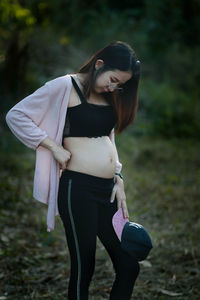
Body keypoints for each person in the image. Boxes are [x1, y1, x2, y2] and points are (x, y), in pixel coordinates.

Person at [6, 41, 141, 300]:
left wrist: (118, 175)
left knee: (128, 264)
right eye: (112, 79)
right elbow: (16, 115)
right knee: (84, 267)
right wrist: (52, 147)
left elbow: (108, 137)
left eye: (119, 85)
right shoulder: (64, 86)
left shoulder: (107, 95)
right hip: (77, 189)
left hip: (108, 190)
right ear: (99, 64)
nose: (113, 87)